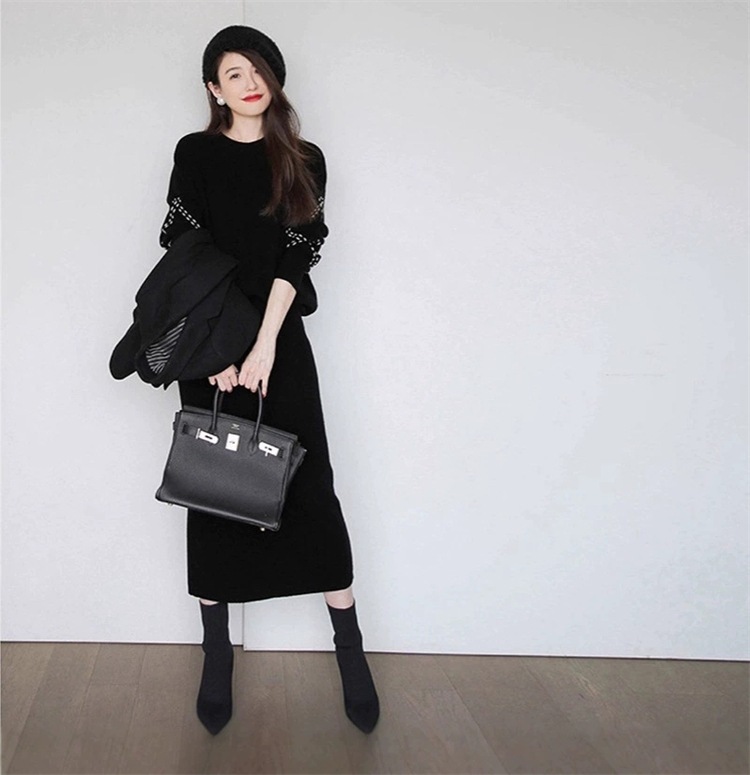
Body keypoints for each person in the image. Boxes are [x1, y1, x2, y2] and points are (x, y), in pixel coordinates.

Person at [158, 25, 380, 736]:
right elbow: (184, 251)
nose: (249, 83)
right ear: (214, 89)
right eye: (234, 73)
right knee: (214, 492)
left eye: (258, 71)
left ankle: (350, 649)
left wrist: (263, 346)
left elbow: (297, 254)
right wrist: (215, 351)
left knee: (310, 488)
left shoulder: (303, 159)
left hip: (276, 343)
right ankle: (217, 654)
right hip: (208, 345)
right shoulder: (194, 154)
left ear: (273, 80)